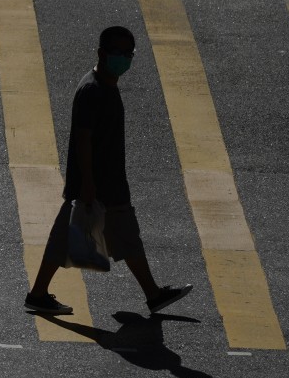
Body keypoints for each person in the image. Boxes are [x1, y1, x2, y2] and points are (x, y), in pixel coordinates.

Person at [24, 26, 191, 315]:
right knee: (125, 237)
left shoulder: (105, 84)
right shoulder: (93, 90)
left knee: (73, 238)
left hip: (102, 182)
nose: (124, 59)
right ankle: (152, 295)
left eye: (129, 54)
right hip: (100, 185)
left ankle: (38, 294)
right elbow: (83, 138)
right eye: (118, 53)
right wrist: (88, 183)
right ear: (102, 53)